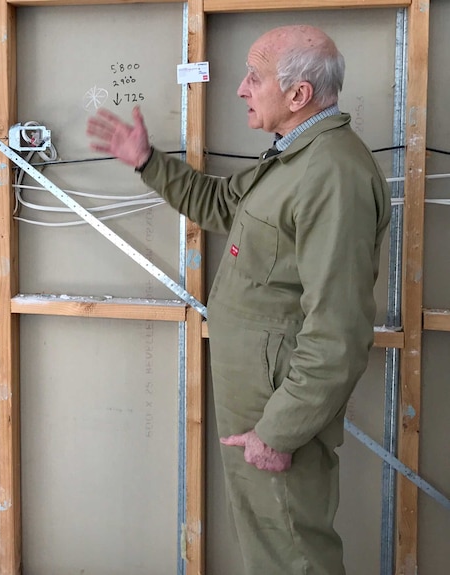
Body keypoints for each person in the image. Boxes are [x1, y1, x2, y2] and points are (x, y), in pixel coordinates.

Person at [87, 25, 390, 574]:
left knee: (292, 551)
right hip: (260, 397)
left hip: (279, 408)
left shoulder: (332, 174)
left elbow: (339, 331)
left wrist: (280, 430)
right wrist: (147, 162)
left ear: (298, 96)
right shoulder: (293, 159)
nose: (241, 89)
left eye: (255, 77)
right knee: (270, 544)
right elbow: (223, 203)